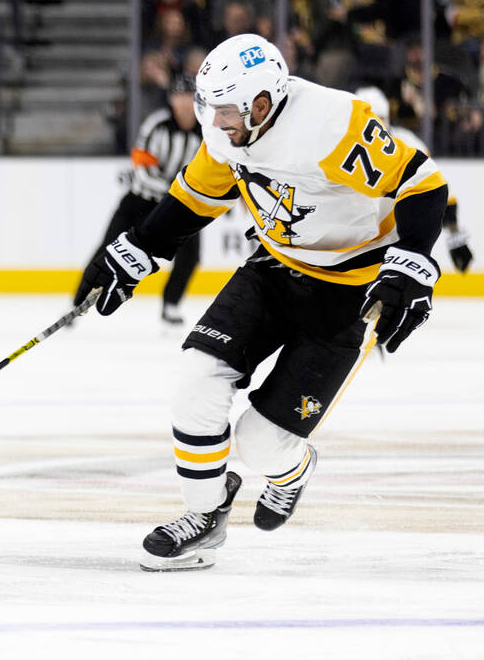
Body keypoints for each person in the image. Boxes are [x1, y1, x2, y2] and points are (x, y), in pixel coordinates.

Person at [79, 34, 448, 571]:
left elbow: (422, 182)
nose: (216, 121)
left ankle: (291, 467)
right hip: (272, 270)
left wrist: (414, 263)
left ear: (262, 102)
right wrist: (140, 246)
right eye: (211, 108)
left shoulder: (331, 125)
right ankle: (204, 516)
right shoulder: (226, 129)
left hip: (349, 295)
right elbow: (197, 195)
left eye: (226, 109)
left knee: (258, 445)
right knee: (195, 375)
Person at [74, 74, 202, 325]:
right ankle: (79, 301)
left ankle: (171, 305)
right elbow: (141, 169)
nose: (185, 103)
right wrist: (173, 193)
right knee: (109, 247)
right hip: (141, 201)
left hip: (179, 206)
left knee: (191, 255)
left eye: (189, 97)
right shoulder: (157, 125)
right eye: (180, 96)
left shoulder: (206, 130)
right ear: (172, 100)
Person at [354, 86, 472, 274]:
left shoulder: (408, 143)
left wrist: (456, 238)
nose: (377, 127)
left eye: (381, 118)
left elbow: (434, 188)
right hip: (357, 243)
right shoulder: (340, 148)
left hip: (394, 241)